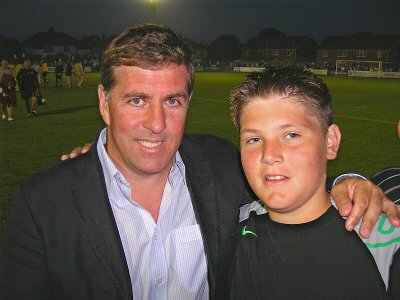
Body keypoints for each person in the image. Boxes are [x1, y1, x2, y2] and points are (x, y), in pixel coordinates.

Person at [1, 24, 398, 300]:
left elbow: (291, 185)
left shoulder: (222, 165)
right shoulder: (43, 203)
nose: (157, 124)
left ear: (188, 102)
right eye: (137, 100)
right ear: (105, 103)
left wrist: (347, 182)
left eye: (172, 101)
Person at [227, 67, 400, 299]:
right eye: (254, 139)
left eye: (291, 135)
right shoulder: (225, 231)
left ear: (330, 142)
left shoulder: (387, 245)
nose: (269, 154)